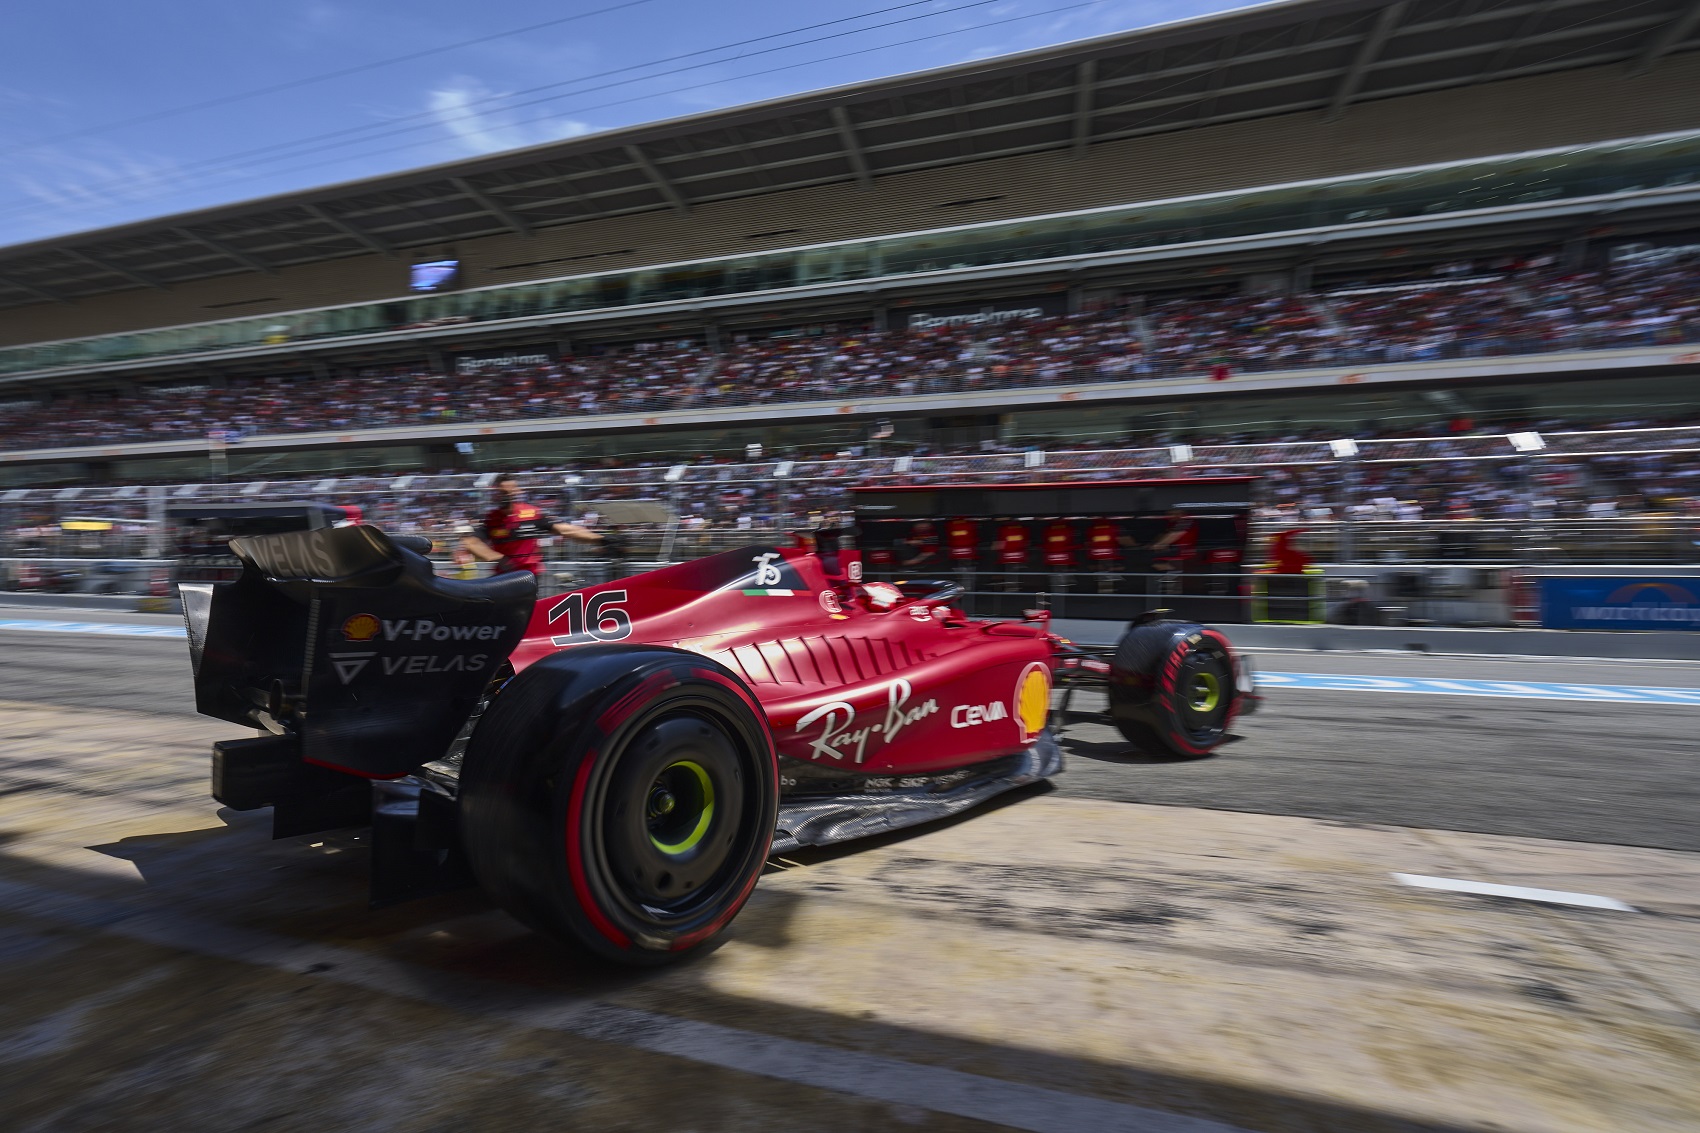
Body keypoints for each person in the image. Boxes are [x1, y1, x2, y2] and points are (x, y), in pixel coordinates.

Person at [460, 473, 607, 576]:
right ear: (496, 493)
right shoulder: (492, 519)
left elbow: (565, 530)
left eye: (510, 491)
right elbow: (471, 543)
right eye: (503, 492)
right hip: (503, 577)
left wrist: (600, 539)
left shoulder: (532, 513)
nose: (507, 495)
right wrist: (497, 558)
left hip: (530, 576)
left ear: (517, 492)